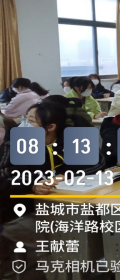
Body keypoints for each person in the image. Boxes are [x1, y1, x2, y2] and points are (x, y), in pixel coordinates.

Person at [0, 100, 102, 243]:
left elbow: (98, 162)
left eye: (31, 121)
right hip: (24, 210)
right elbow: (4, 177)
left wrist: (65, 175)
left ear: (51, 127)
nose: (23, 125)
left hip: (64, 205)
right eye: (25, 119)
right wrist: (32, 185)